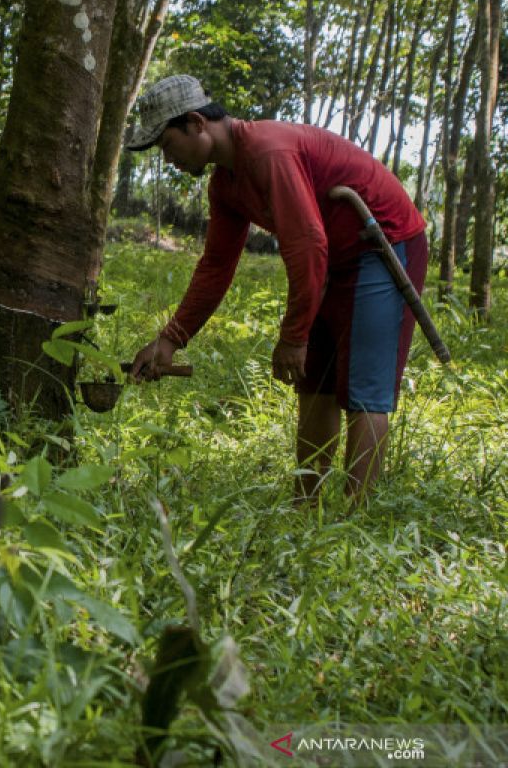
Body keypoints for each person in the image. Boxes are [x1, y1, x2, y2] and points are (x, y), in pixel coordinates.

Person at [125, 75, 427, 502]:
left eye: (166, 143)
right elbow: (216, 266)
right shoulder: (225, 184)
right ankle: (308, 508)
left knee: (364, 390)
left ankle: (354, 517)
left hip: (382, 246)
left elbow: (307, 242)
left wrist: (293, 336)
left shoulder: (268, 152)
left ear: (196, 123)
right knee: (314, 382)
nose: (167, 157)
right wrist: (170, 339)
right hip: (328, 262)